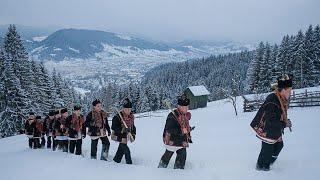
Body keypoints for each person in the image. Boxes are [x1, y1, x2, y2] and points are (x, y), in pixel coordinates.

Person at [250, 74, 293, 171]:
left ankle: (269, 162)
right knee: (267, 150)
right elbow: (270, 121)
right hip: (267, 130)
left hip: (274, 130)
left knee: (279, 145)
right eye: (289, 91)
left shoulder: (281, 99)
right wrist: (284, 124)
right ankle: (262, 169)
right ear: (282, 90)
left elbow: (279, 115)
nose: (290, 93)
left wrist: (285, 121)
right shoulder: (272, 101)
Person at [158, 94, 192, 169]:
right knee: (167, 155)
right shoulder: (172, 115)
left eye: (187, 107)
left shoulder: (185, 115)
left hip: (181, 141)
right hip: (172, 141)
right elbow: (169, 129)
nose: (186, 109)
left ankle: (178, 171)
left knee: (182, 155)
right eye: (183, 107)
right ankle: (161, 169)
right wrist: (181, 130)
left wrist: (188, 130)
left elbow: (185, 126)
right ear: (179, 106)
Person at [111, 98, 136, 164]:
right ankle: (129, 164)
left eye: (130, 109)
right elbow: (113, 127)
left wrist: (133, 134)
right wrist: (123, 129)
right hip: (118, 135)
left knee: (121, 150)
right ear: (123, 108)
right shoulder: (117, 117)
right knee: (126, 150)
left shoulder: (131, 117)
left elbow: (133, 127)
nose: (128, 111)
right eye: (126, 109)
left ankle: (116, 161)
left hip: (125, 136)